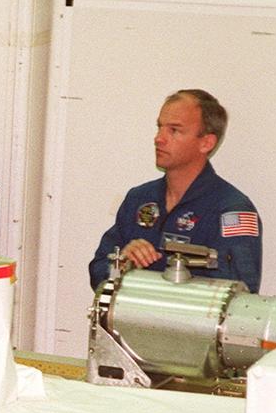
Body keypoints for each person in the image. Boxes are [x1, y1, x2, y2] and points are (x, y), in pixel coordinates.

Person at [88, 89, 261, 292]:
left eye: (174, 130)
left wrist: (179, 276)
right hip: (131, 322)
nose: (159, 139)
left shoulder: (232, 210)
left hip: (188, 323)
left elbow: (239, 297)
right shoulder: (139, 198)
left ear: (206, 143)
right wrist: (123, 265)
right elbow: (98, 271)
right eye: (159, 127)